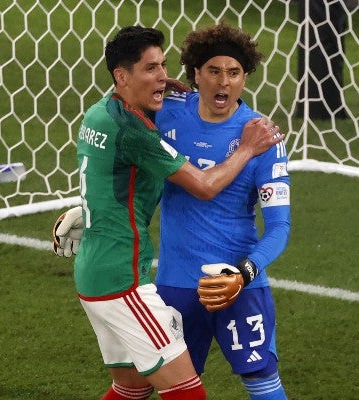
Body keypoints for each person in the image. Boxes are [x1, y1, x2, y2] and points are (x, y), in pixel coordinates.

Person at [57, 25, 283, 400]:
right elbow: (206, 186)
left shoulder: (101, 112)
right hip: (124, 280)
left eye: (163, 66)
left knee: (130, 390)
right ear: (122, 76)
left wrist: (90, 209)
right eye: (151, 69)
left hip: (95, 273)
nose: (162, 77)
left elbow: (280, 225)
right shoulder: (142, 130)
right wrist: (246, 148)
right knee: (188, 393)